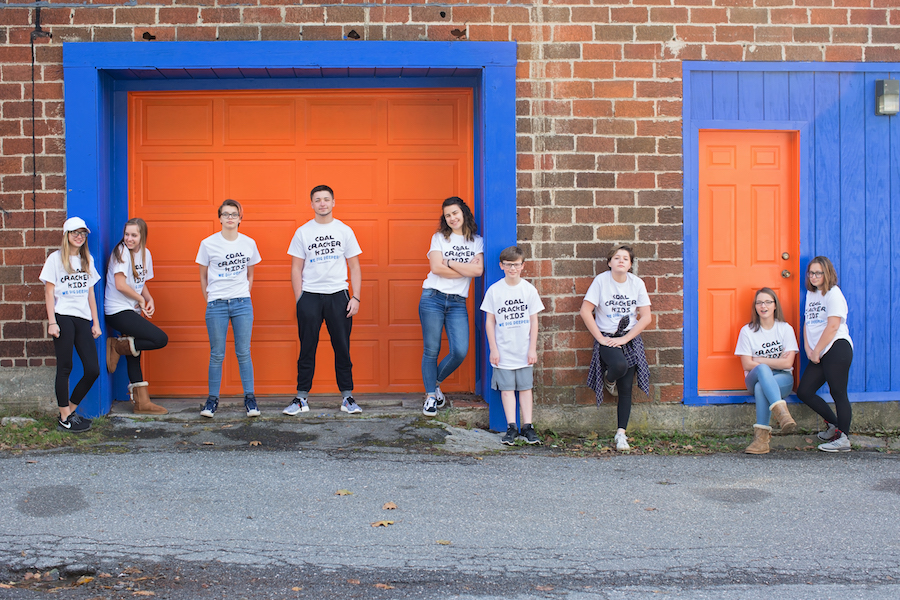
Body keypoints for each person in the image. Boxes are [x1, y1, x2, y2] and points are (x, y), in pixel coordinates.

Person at [282, 185, 363, 416]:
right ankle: (301, 398)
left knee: (342, 348)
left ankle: (347, 398)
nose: (322, 203)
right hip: (310, 296)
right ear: (312, 204)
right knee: (307, 348)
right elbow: (296, 268)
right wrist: (301, 299)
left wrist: (355, 297)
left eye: (326, 199)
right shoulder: (303, 232)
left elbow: (354, 266)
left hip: (339, 295)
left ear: (334, 202)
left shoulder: (344, 230)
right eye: (317, 200)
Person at [580, 244, 652, 452]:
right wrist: (601, 339)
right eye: (617, 258)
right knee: (619, 366)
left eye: (626, 259)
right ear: (610, 262)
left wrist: (626, 338)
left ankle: (621, 433)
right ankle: (608, 380)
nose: (621, 261)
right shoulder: (601, 281)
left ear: (630, 265)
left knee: (626, 389)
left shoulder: (636, 283)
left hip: (628, 339)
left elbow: (646, 316)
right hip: (607, 338)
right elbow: (586, 311)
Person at [195, 199, 262, 418]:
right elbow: (203, 276)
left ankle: (250, 400)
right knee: (217, 354)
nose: (230, 218)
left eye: (234, 214)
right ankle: (212, 400)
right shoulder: (208, 243)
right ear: (220, 218)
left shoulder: (249, 243)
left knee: (244, 352)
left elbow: (251, 272)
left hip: (242, 303)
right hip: (217, 304)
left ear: (240, 218)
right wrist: (210, 299)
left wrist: (245, 292)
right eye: (226, 214)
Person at [419, 196, 484, 417]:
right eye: (447, 215)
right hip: (432, 298)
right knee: (432, 349)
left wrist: (449, 262)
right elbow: (436, 268)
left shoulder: (476, 241)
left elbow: (477, 272)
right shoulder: (439, 238)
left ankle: (434, 381)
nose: (452, 218)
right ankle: (430, 397)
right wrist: (464, 268)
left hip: (457, 302)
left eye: (455, 213)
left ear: (463, 213)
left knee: (459, 350)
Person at [40, 217, 102, 433]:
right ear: (66, 235)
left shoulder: (87, 260)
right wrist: (52, 322)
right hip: (63, 318)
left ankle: (70, 411)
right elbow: (49, 293)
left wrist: (96, 322)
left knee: (93, 369)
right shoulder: (55, 259)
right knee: (65, 367)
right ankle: (65, 417)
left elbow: (91, 293)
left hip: (83, 318)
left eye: (83, 233)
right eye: (75, 232)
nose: (79, 236)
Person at [480, 246, 545, 445]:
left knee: (525, 388)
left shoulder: (528, 289)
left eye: (516, 265)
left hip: (523, 350)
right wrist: (494, 349)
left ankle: (528, 426)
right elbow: (490, 321)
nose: (512, 269)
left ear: (523, 266)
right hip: (503, 350)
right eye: (508, 265)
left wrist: (532, 348)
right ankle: (511, 427)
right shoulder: (495, 290)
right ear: (501, 266)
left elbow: (534, 321)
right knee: (507, 389)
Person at [104, 218, 169, 415]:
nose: (129, 239)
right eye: (127, 234)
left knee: (134, 354)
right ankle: (116, 345)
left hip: (131, 308)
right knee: (159, 339)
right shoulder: (121, 252)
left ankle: (141, 404)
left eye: (134, 235)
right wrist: (140, 300)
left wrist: (149, 299)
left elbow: (140, 281)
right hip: (117, 310)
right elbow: (121, 285)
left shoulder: (145, 254)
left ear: (142, 236)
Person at [797, 256, 854, 452]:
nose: (814, 276)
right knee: (804, 391)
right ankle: (834, 425)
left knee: (838, 393)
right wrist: (807, 348)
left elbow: (833, 326)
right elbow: (808, 322)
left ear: (827, 273)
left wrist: (817, 350)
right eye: (811, 273)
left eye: (818, 273)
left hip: (836, 347)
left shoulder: (833, 293)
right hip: (818, 351)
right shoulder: (812, 294)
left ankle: (844, 438)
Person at [734, 288, 799, 454]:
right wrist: (771, 363)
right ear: (755, 307)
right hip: (754, 377)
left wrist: (760, 359)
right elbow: (747, 365)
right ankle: (782, 414)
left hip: (782, 379)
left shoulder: (785, 329)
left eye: (768, 302)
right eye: (759, 302)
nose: (763, 306)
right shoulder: (747, 331)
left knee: (761, 387)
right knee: (761, 371)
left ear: (775, 305)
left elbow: (788, 363)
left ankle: (761, 441)